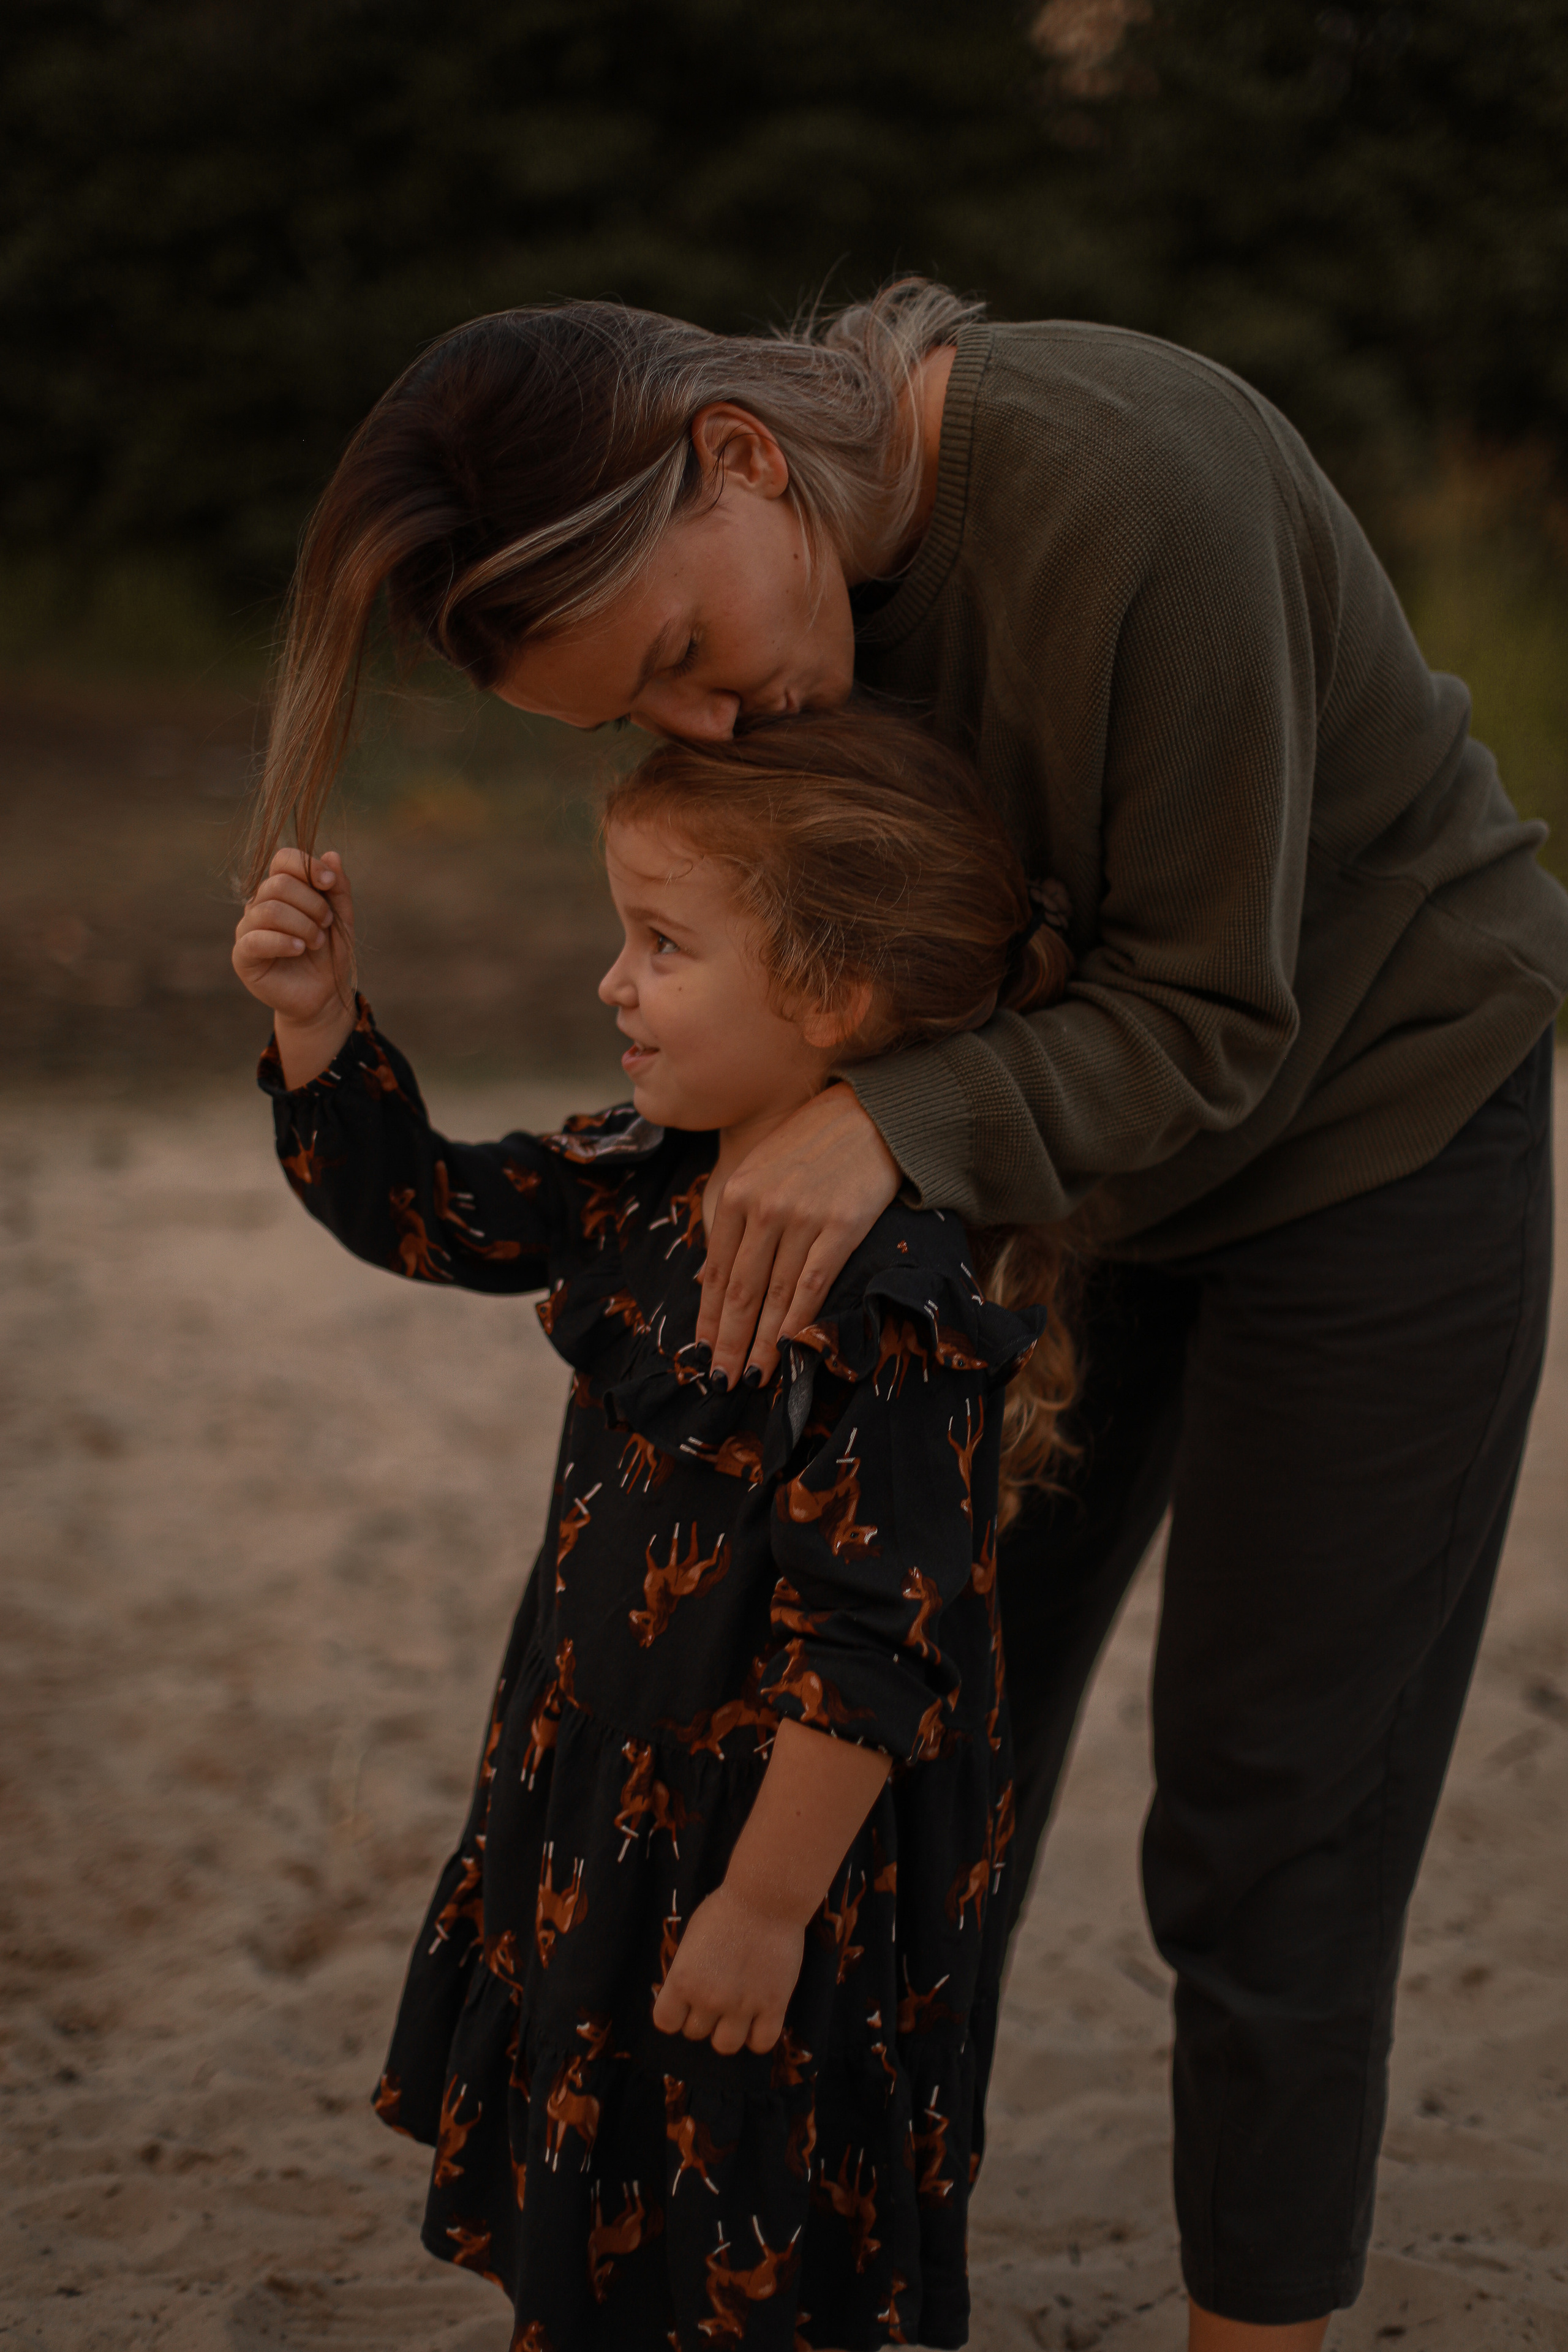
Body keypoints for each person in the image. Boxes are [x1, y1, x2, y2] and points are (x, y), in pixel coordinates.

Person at [241, 281, 1568, 2350]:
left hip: (1363, 1130)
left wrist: (886, 1117)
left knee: (1271, 1817)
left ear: (746, 458)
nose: (708, 730)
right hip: (1016, 1180)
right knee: (904, 1764)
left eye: (683, 653)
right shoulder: (772, 650)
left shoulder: (1141, 484)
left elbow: (1217, 1009)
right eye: (632, 720)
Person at [233, 711, 1079, 2351]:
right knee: (606, 2170)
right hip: (604, 1804)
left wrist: (765, 1907)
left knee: (744, 2199)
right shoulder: (645, 1174)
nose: (614, 982)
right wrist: (323, 1023)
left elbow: (868, 1650)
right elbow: (435, 1210)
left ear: (835, 1001)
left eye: (665, 944)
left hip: (767, 1848)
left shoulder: (893, 1302)